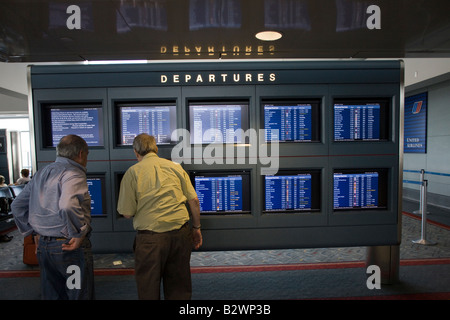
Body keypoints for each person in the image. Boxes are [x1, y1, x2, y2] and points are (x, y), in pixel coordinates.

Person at [117, 133, 202, 300]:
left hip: (150, 240)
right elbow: (194, 201)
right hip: (180, 236)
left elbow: (127, 213)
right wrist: (196, 228)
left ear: (136, 152)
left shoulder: (132, 173)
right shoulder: (176, 168)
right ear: (155, 148)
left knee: (148, 289)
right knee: (179, 289)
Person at [11, 134, 94, 300]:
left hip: (44, 248)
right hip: (68, 248)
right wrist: (77, 233)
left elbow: (17, 205)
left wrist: (32, 233)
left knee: (52, 295)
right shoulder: (74, 173)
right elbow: (68, 205)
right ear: (80, 154)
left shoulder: (42, 173)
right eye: (86, 155)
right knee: (77, 293)